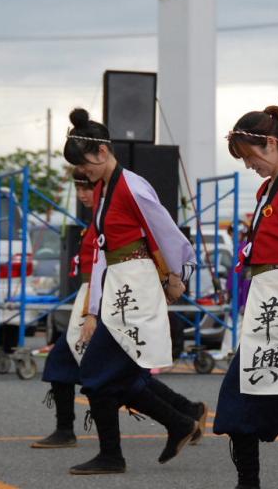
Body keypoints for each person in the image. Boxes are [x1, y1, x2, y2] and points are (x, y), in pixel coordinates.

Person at [63, 108, 204, 475]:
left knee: (98, 373)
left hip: (136, 286)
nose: (83, 172)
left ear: (102, 152)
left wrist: (176, 275)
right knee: (109, 377)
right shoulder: (106, 189)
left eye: (84, 164)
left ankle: (122, 451)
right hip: (119, 286)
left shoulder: (133, 186)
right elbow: (101, 256)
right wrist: (93, 309)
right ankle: (177, 423)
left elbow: (167, 233)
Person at [212, 106, 278, 489]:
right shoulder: (270, 188)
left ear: (271, 143)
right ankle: (248, 481)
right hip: (267, 302)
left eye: (250, 155)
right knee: (259, 398)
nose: (249, 164)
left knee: (266, 398)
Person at [31, 168, 97, 449]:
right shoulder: (95, 219)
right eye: (78, 188)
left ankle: (183, 416)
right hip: (88, 300)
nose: (82, 194)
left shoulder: (113, 218)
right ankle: (64, 429)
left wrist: (93, 312)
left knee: (123, 379)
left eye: (87, 187)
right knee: (61, 361)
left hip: (103, 302)